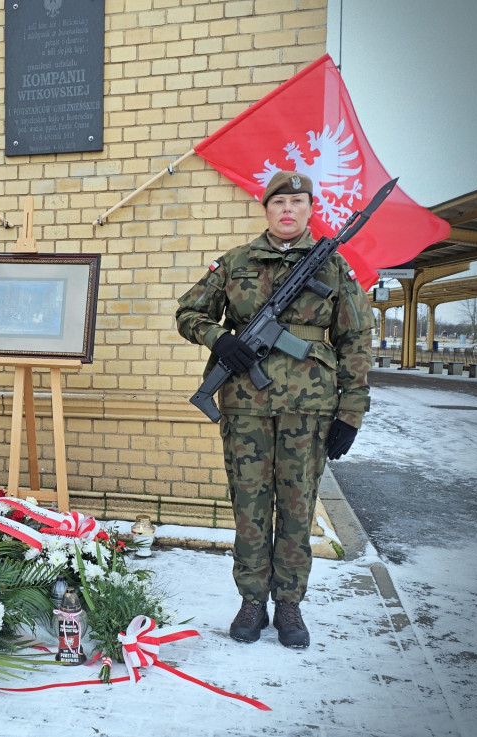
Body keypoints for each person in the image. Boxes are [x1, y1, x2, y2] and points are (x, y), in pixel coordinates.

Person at [175, 170, 372, 649]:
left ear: (309, 209)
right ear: (266, 210)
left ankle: (289, 604)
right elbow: (188, 313)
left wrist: (351, 412)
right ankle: (251, 601)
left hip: (311, 408)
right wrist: (220, 338)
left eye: (297, 202)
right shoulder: (234, 263)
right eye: (278, 202)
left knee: (298, 507)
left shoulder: (333, 267)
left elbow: (356, 341)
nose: (287, 210)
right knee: (250, 507)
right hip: (245, 406)